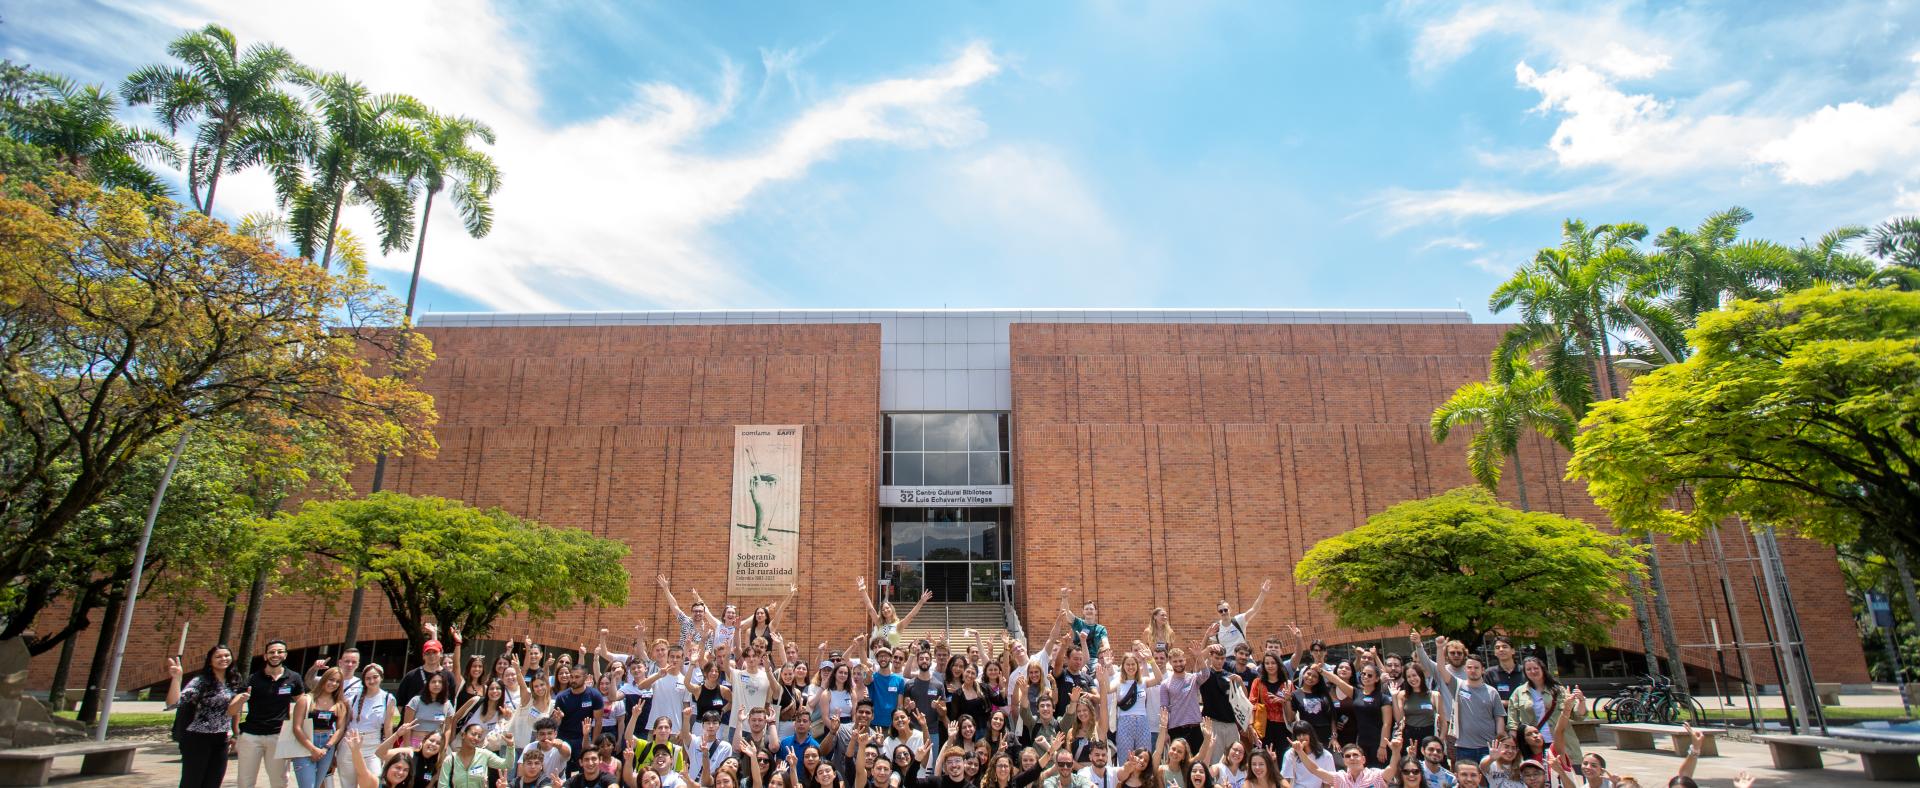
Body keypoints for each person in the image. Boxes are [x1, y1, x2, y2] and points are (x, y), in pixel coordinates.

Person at [237, 639, 307, 788]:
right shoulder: (252, 679)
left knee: (280, 781)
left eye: (280, 651)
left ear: (285, 655)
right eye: (272, 652)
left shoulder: (293, 677)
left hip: (279, 736)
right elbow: (235, 706)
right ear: (265, 656)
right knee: (245, 781)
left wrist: (298, 730)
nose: (275, 655)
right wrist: (236, 731)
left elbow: (302, 703)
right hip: (251, 736)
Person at [170, 646, 241, 788]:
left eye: (227, 655)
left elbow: (235, 709)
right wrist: (177, 679)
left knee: (214, 781)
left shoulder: (233, 680)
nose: (223, 659)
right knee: (193, 781)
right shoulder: (201, 681)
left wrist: (235, 733)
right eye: (218, 656)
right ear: (210, 661)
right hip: (197, 738)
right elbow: (173, 703)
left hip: (221, 738)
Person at [1425, 650, 1502, 766]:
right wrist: (1440, 648)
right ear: (1465, 670)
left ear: (1483, 669)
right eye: (1469, 667)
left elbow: (1499, 716)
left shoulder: (1492, 692)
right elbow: (1441, 668)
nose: (1473, 670)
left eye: (1476, 668)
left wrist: (1500, 735)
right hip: (1464, 747)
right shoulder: (1458, 686)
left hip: (1488, 748)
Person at [1504, 659, 1584, 769]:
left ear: (1543, 669)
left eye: (1536, 668)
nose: (1533, 671)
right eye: (1529, 669)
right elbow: (1512, 721)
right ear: (1525, 672)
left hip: (1561, 742)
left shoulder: (1558, 689)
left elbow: (1578, 715)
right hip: (1534, 745)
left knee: (1567, 775)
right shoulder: (1519, 692)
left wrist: (1581, 701)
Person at [292, 667, 349, 788]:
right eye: (331, 679)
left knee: (317, 785)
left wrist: (326, 748)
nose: (333, 684)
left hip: (326, 747)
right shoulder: (306, 699)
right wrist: (312, 749)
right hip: (305, 743)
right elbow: (296, 727)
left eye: (338, 681)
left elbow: (340, 729)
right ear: (323, 679)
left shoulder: (340, 704)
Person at [1292, 740, 1402, 788]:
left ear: (1363, 759)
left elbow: (1392, 768)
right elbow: (1315, 770)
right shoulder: (1340, 778)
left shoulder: (1376, 776)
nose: (1352, 758)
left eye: (1355, 755)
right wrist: (1300, 752)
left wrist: (1396, 751)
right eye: (1348, 756)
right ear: (1344, 761)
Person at [1210, 580, 1271, 657]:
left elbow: (1254, 609)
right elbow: (1214, 649)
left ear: (1230, 610)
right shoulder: (1215, 627)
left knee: (1253, 668)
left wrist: (1263, 593)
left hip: (1244, 657)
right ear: (1218, 613)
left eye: (1225, 610)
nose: (1223, 612)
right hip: (1227, 661)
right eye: (1220, 611)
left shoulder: (1238, 620)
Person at [439, 722, 507, 788]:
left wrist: (510, 746)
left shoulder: (484, 755)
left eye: (479, 736)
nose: (476, 738)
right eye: (473, 734)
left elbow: (506, 764)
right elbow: (442, 785)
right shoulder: (450, 760)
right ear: (463, 735)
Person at [339, 731, 413, 788]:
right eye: (398, 767)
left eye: (405, 770)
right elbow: (362, 772)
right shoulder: (376, 783)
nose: (400, 772)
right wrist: (356, 751)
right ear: (388, 766)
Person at [1278, 722, 1332, 788]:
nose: (1301, 737)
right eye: (1298, 735)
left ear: (1311, 734)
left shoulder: (1326, 756)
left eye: (1304, 733)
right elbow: (1285, 779)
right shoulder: (1290, 754)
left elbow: (1327, 783)